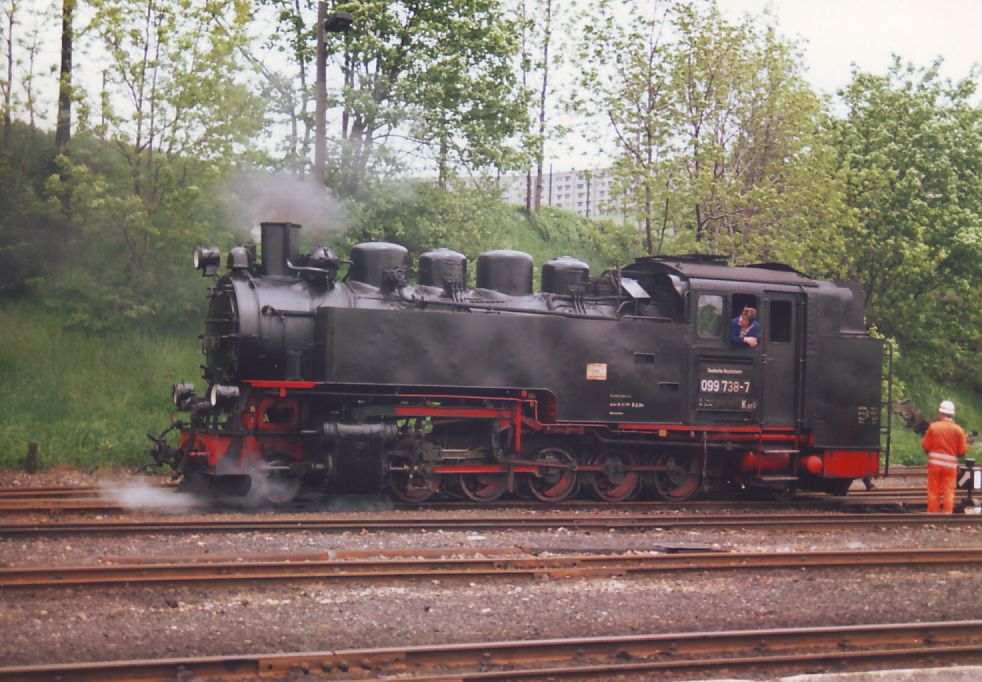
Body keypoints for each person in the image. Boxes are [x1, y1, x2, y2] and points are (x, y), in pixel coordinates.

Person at [922, 399, 969, 513]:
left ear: (941, 413)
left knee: (933, 490)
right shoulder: (959, 430)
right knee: (949, 491)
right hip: (950, 467)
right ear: (952, 414)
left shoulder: (933, 427)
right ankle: (947, 514)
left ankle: (933, 514)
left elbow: (925, 446)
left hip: (934, 465)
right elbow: (963, 451)